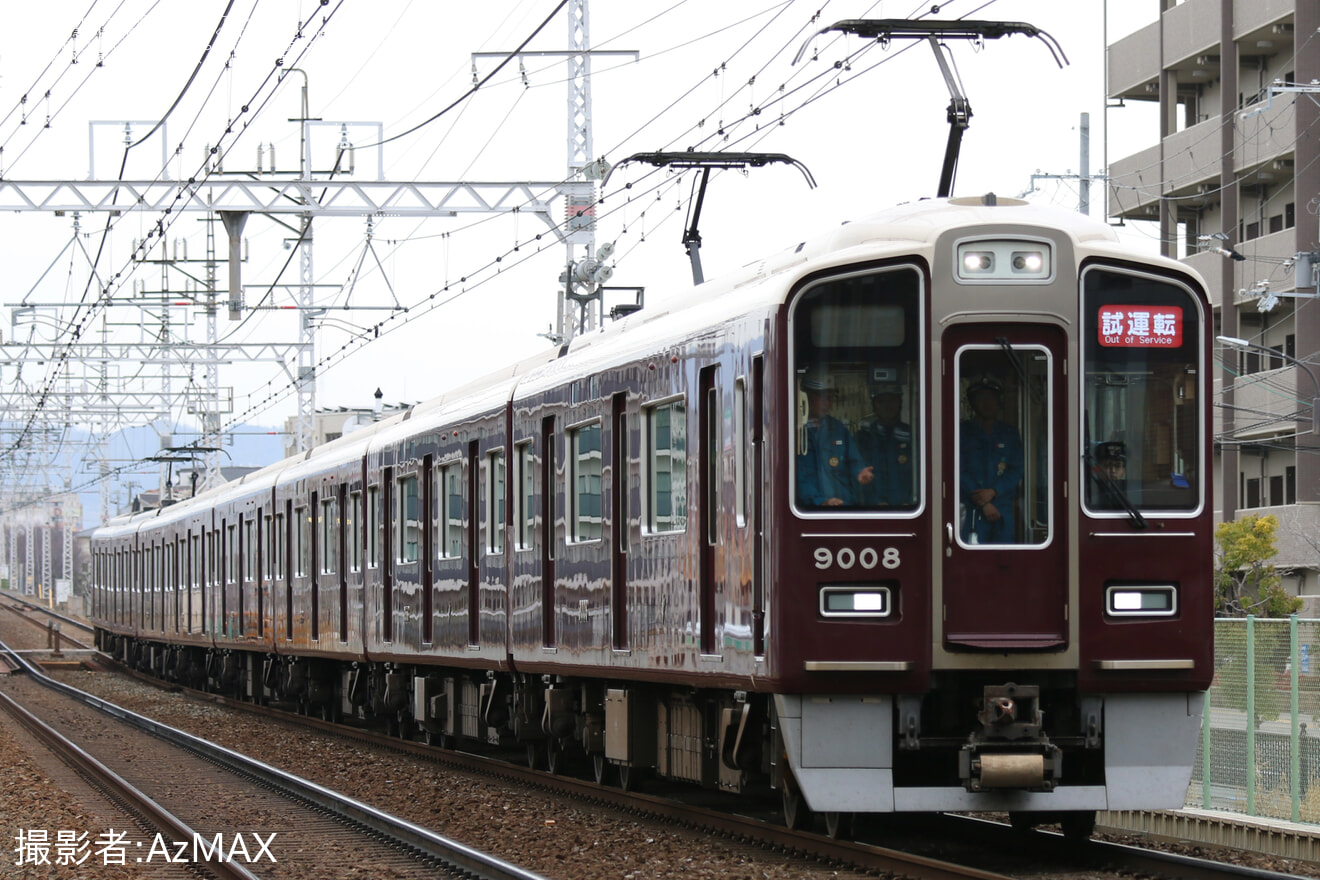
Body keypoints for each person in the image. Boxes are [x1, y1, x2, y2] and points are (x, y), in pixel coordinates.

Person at [796, 367, 874, 507]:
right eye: (822, 397)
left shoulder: (838, 429)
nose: (827, 403)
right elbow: (799, 477)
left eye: (831, 398)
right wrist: (820, 502)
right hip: (808, 511)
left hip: (842, 507)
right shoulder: (795, 430)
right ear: (806, 396)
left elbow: (853, 460)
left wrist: (860, 472)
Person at [959, 376, 1024, 543]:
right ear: (972, 403)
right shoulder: (961, 432)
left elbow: (1017, 469)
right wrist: (983, 503)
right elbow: (957, 470)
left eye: (991, 398)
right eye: (981, 398)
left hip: (1002, 510)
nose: (987, 403)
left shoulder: (1010, 433)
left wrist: (994, 491)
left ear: (999, 402)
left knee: (1005, 556)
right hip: (971, 510)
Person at [855, 383, 916, 507]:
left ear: (900, 403)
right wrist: (875, 502)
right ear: (874, 405)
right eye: (881, 401)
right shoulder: (863, 438)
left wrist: (910, 502)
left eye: (892, 400)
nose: (887, 405)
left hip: (907, 509)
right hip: (872, 510)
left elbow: (920, 473)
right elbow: (857, 475)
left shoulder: (911, 436)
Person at [1090, 440, 1128, 508]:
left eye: (1118, 466)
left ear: (1124, 471)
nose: (1113, 470)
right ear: (1097, 468)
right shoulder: (1090, 492)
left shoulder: (1130, 491)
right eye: (1107, 465)